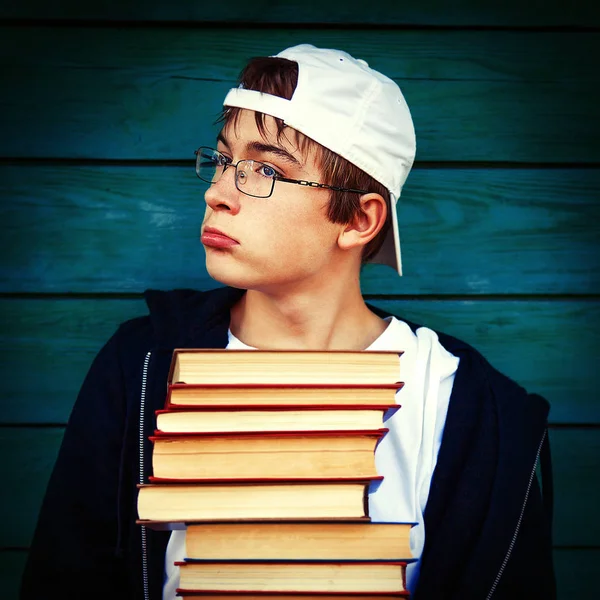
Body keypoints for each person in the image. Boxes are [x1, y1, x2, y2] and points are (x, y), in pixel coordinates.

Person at [20, 44, 556, 600]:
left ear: (359, 219)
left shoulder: (469, 406)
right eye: (225, 161)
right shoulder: (141, 367)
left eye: (266, 170)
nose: (216, 193)